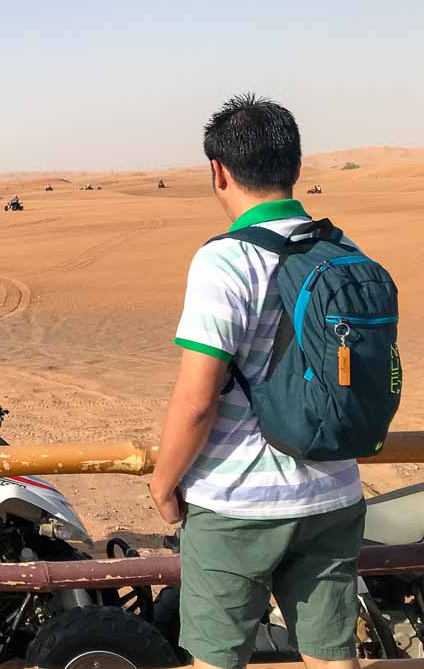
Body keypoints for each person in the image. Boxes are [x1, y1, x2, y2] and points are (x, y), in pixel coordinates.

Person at [150, 94, 365, 669]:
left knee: (217, 659)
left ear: (217, 172)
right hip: (334, 493)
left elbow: (197, 401)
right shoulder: (343, 247)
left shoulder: (224, 261)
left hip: (237, 501)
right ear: (295, 166)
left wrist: (162, 483)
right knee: (331, 657)